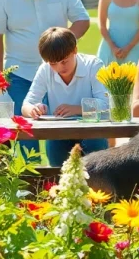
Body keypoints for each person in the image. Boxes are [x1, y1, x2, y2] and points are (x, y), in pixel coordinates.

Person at [0, 0, 90, 157]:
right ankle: (27, 184)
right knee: (25, 136)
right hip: (19, 73)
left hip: (58, 73)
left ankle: (61, 180)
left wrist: (64, 45)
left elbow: (82, 20)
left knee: (60, 132)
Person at [22, 27, 109, 165]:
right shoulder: (45, 69)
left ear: (75, 50)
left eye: (64, 61)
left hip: (91, 130)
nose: (60, 67)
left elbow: (105, 104)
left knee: (96, 167)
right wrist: (33, 110)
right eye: (53, 63)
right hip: (59, 133)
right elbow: (27, 104)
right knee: (57, 171)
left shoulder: (93, 65)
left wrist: (77, 109)